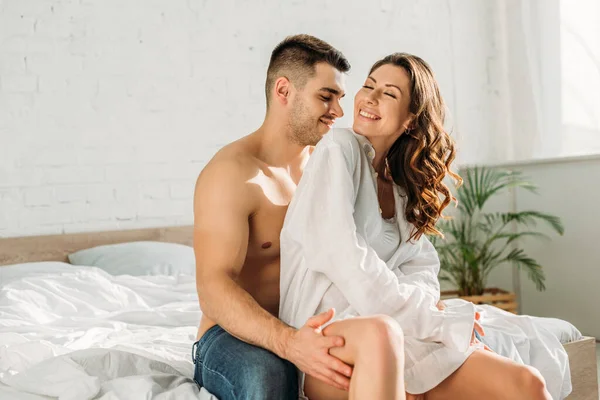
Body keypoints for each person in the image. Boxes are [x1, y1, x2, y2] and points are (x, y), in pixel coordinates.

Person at [279, 53, 553, 400]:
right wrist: (436, 324)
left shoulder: (401, 190)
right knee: (383, 335)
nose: (370, 98)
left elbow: (423, 273)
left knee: (527, 384)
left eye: (389, 94)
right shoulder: (338, 148)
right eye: (369, 86)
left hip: (401, 330)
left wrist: (422, 316)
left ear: (410, 120)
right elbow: (342, 255)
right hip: (328, 337)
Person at [191, 34, 405, 400]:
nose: (339, 111)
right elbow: (213, 289)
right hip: (233, 336)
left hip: (310, 325)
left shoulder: (332, 169)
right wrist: (289, 343)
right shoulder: (232, 175)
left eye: (339, 98)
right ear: (284, 91)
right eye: (325, 97)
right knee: (268, 376)